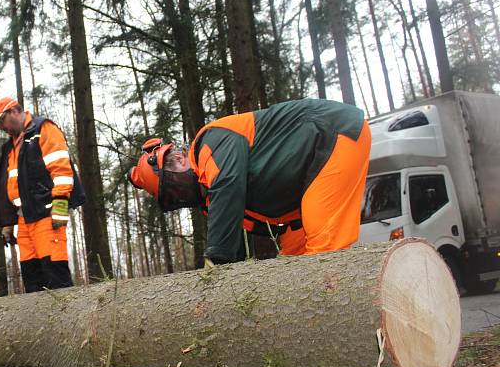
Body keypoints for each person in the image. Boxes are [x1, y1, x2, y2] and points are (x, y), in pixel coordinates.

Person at [128, 99, 371, 264]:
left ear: (180, 158)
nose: (180, 195)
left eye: (174, 187)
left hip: (331, 134)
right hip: (298, 199)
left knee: (324, 255)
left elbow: (229, 183)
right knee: (295, 268)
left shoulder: (210, 142)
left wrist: (216, 260)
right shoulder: (213, 198)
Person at [0, 97, 85, 292]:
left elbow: (62, 172)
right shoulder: (9, 147)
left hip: (46, 215)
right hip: (24, 219)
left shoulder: (43, 130)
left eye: (2, 121)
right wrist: (8, 223)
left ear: (14, 111)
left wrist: (59, 209)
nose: (1, 127)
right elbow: (7, 186)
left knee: (55, 275)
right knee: (31, 276)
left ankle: (66, 318)